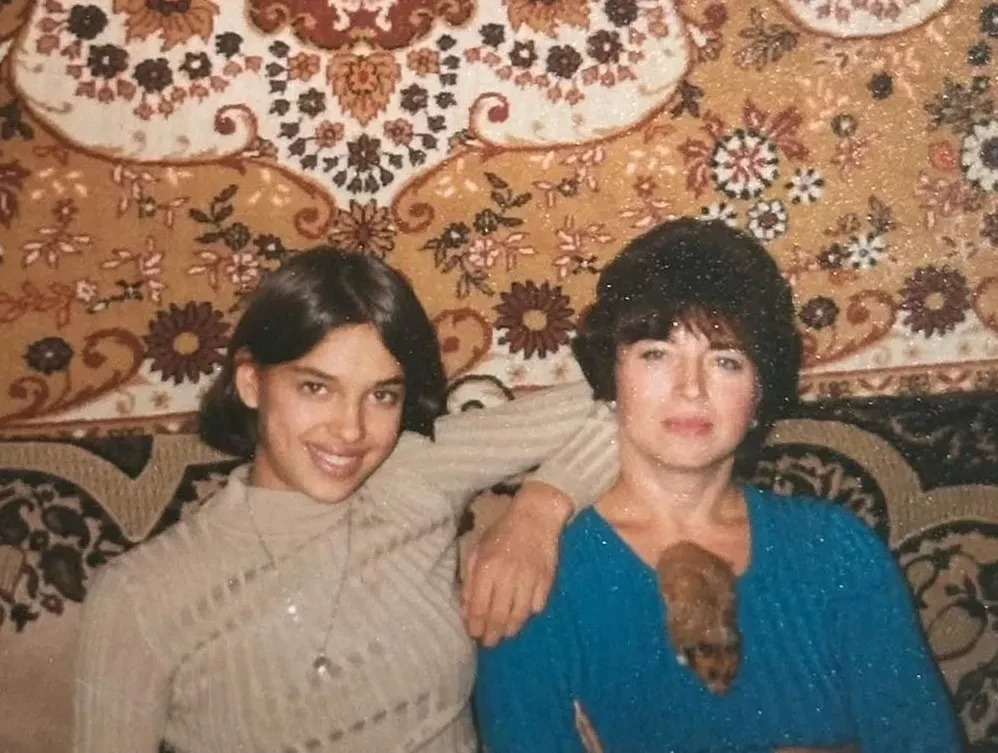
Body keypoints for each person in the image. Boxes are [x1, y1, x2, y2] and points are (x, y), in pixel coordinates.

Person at [74, 247, 617, 753]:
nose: (351, 430)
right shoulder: (138, 595)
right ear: (250, 382)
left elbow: (631, 401)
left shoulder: (412, 474)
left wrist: (539, 510)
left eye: (382, 394)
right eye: (316, 387)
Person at [474, 218, 962, 753]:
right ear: (612, 375)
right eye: (656, 353)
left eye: (726, 361)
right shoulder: (532, 574)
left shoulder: (837, 549)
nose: (691, 388)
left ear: (759, 394)